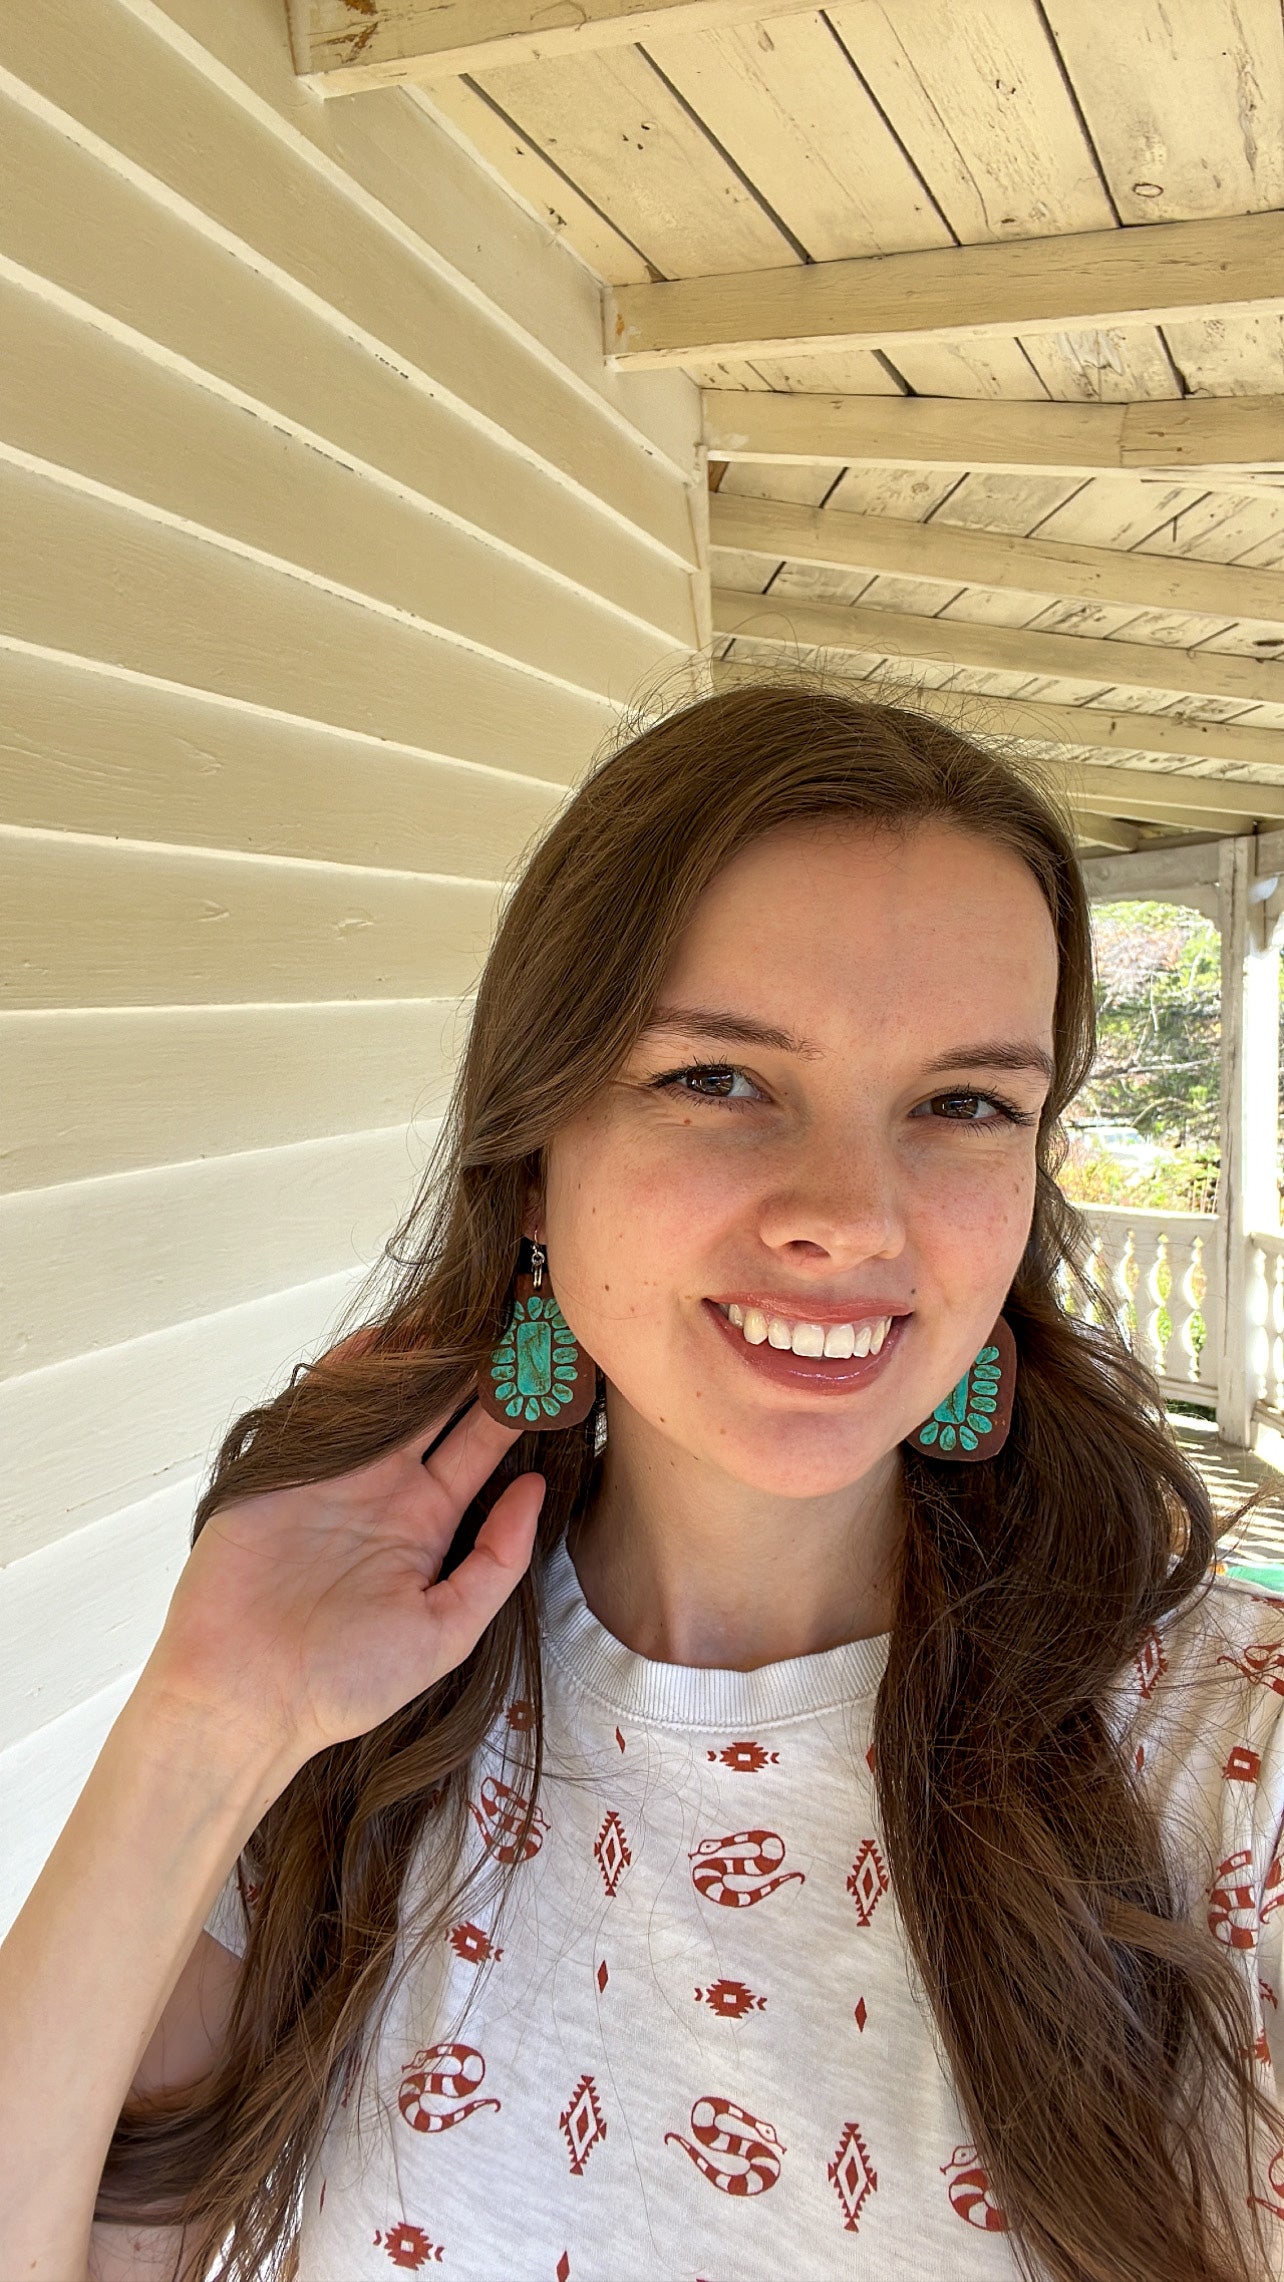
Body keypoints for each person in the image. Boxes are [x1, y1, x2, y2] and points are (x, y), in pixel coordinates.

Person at [3, 678, 1283, 2282]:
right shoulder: (355, 1738)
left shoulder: (1231, 1761)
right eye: (719, 1078)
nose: (850, 1217)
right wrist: (203, 1719)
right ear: (535, 1155)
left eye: (964, 1103)